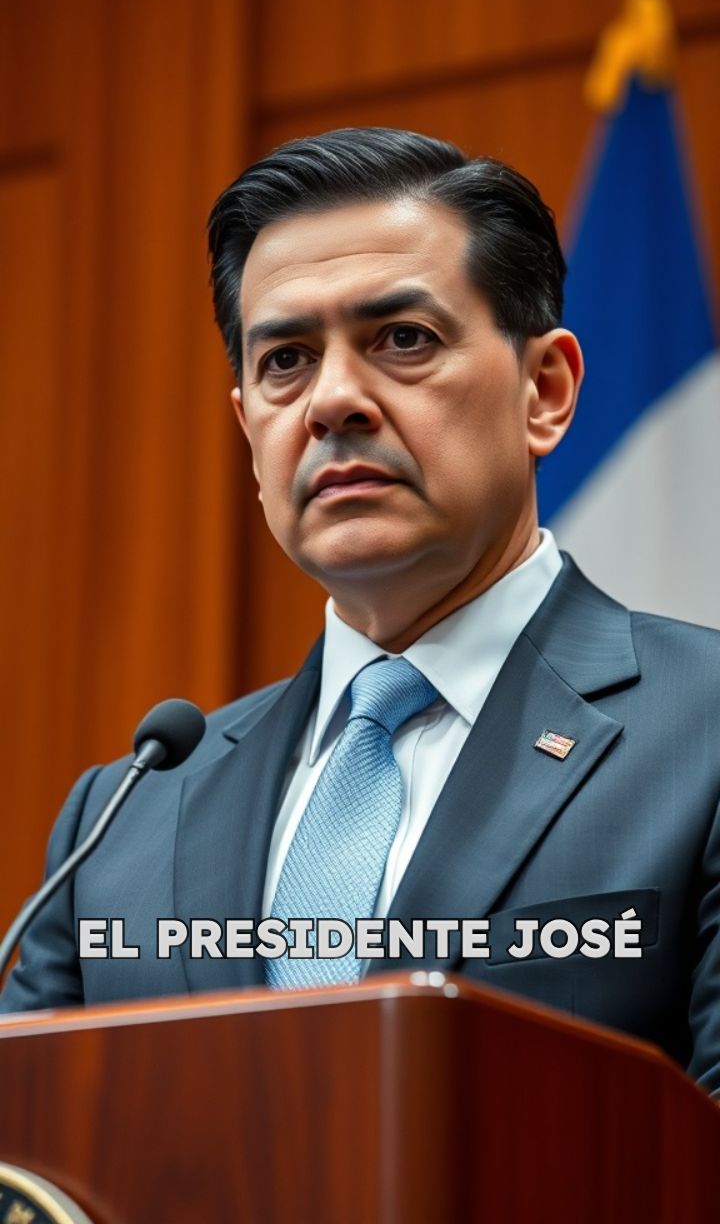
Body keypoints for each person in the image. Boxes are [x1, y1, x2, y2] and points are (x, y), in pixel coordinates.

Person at [1, 129, 719, 1098]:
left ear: (543, 392)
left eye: (403, 339)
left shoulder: (701, 733)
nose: (332, 401)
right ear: (249, 427)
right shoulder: (123, 817)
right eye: (286, 359)